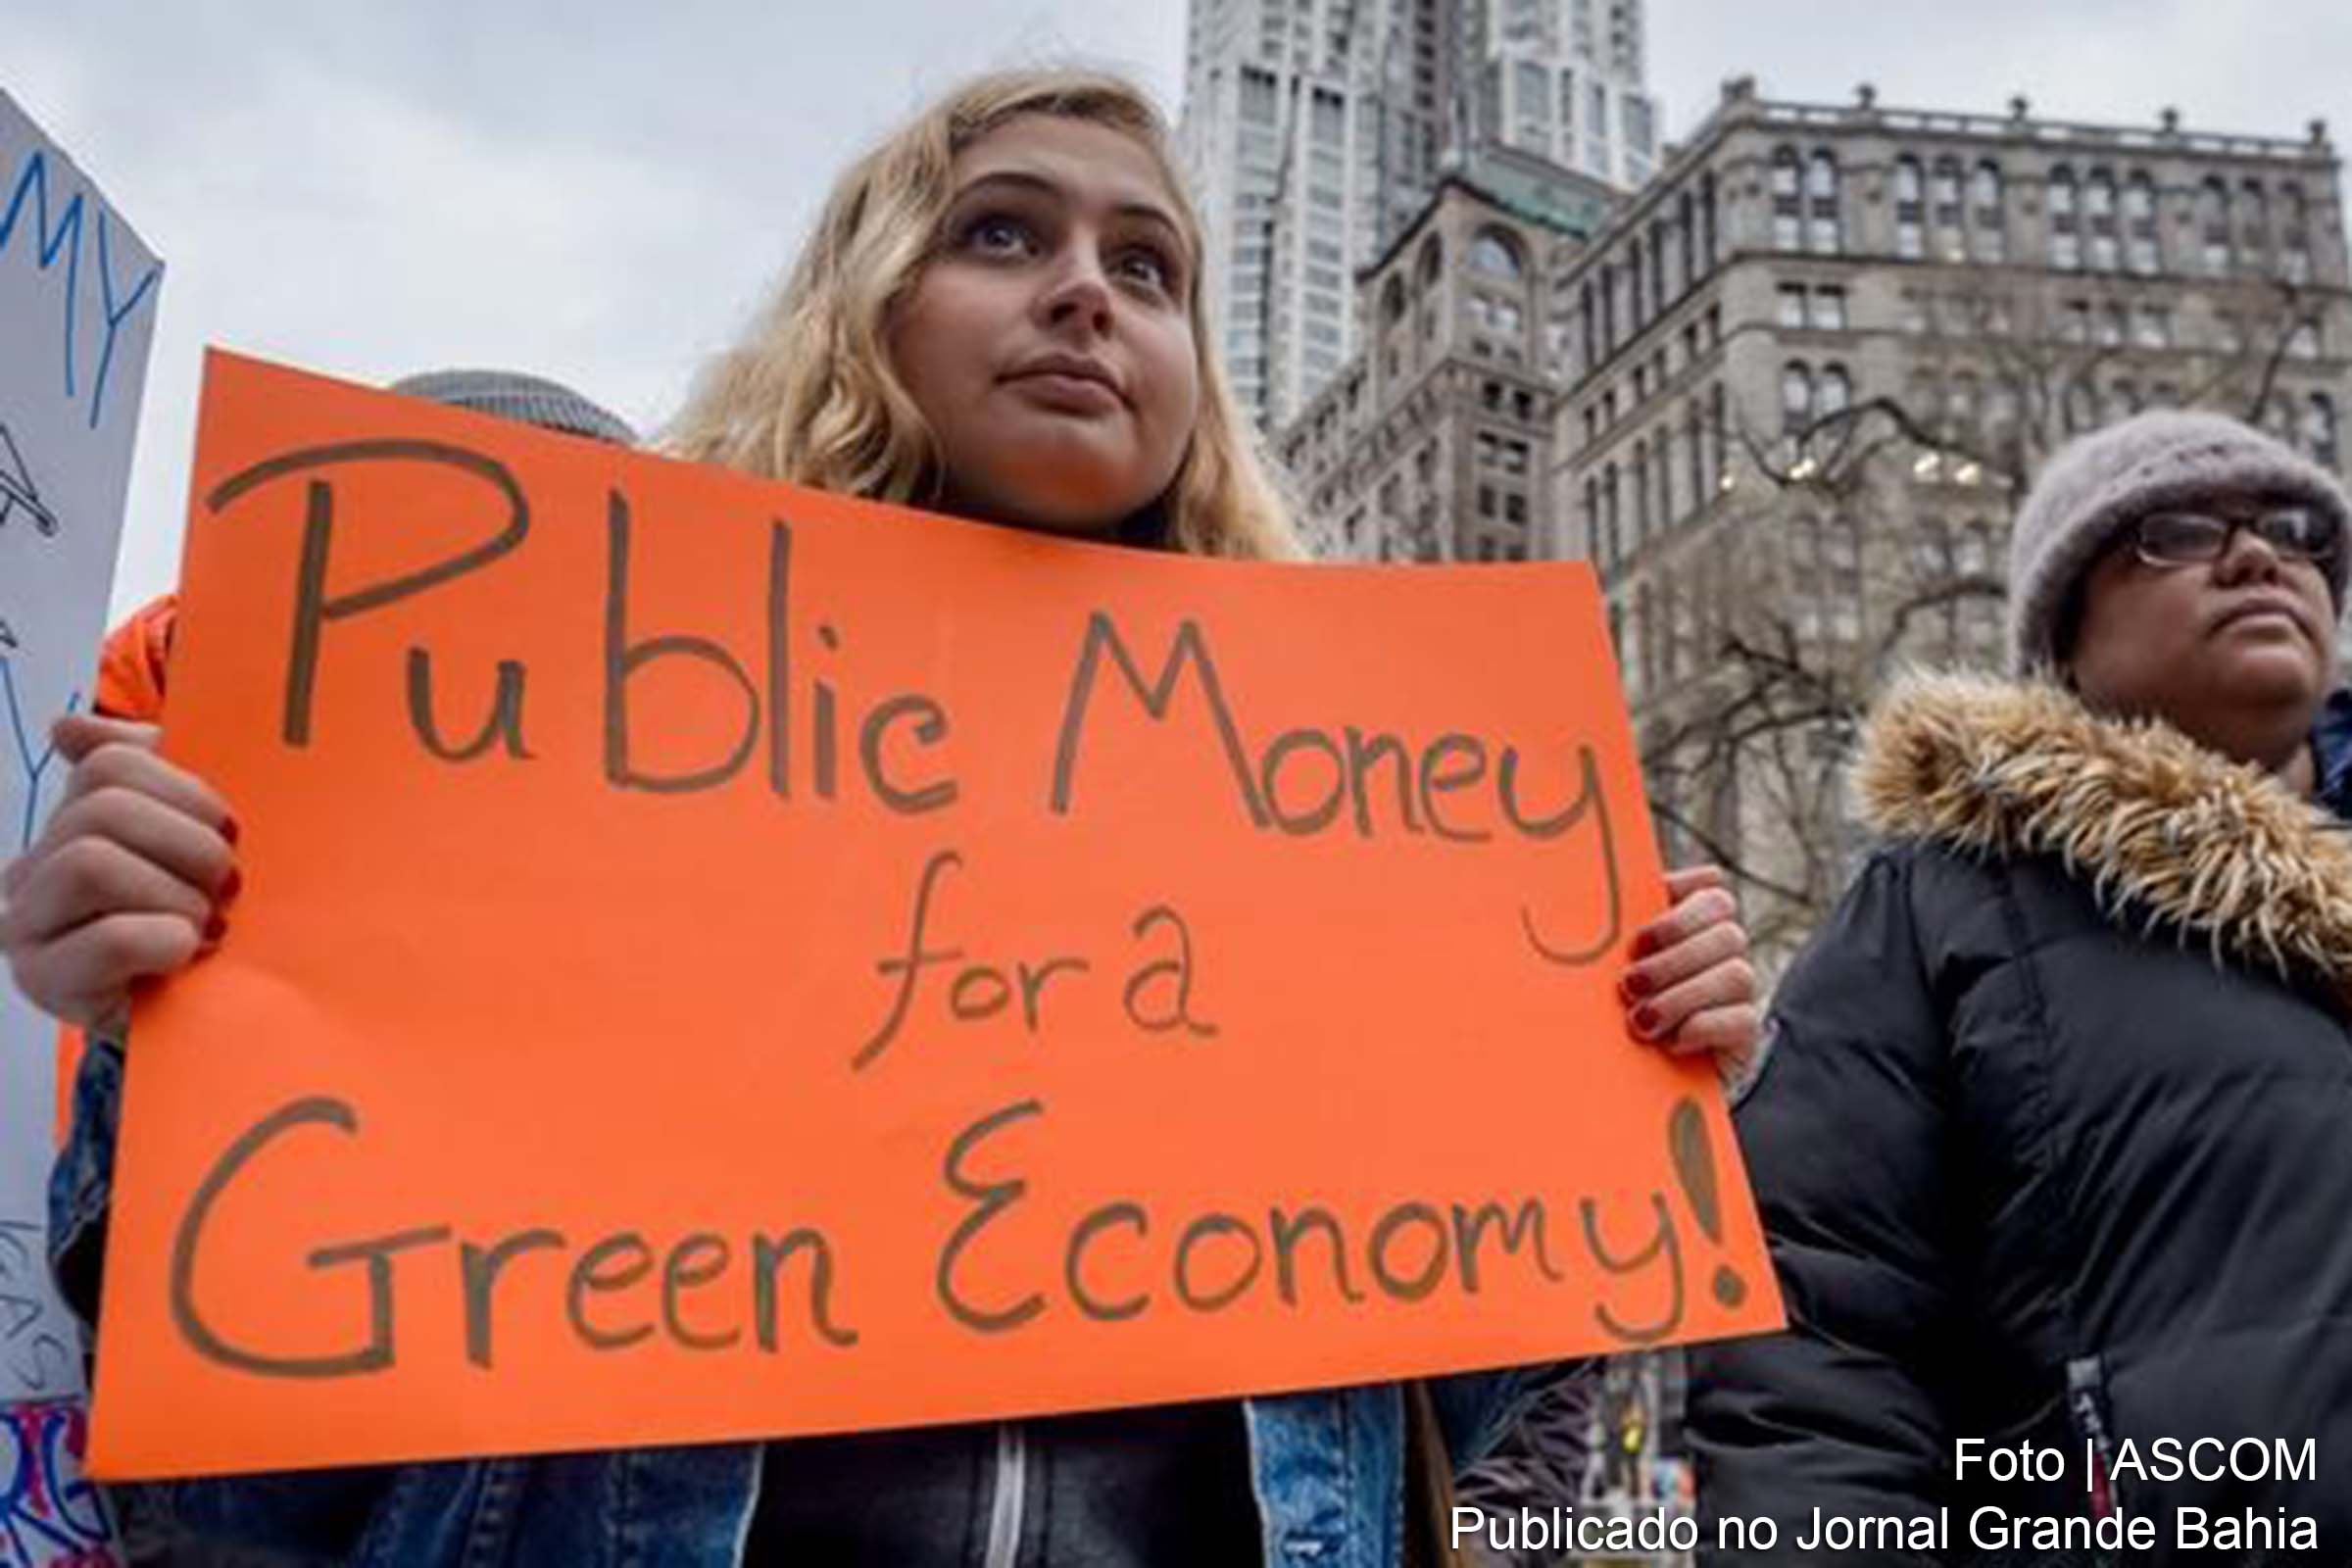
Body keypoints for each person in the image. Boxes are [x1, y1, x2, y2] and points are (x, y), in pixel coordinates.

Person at [6, 70, 1758, 1566]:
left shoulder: (1364, 827)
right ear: (863, 310)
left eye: (1147, 266)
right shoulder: (559, 756)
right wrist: (175, 1038)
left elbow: (1466, 1414)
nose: (1085, 293)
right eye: (1003, 232)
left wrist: (1621, 1079)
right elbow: (259, 1486)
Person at [1689, 409, 2352, 1563]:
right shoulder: (1940, 906)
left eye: (2297, 530)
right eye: (2178, 530)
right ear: (2062, 636)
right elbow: (1816, 1357)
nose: (2259, 555)